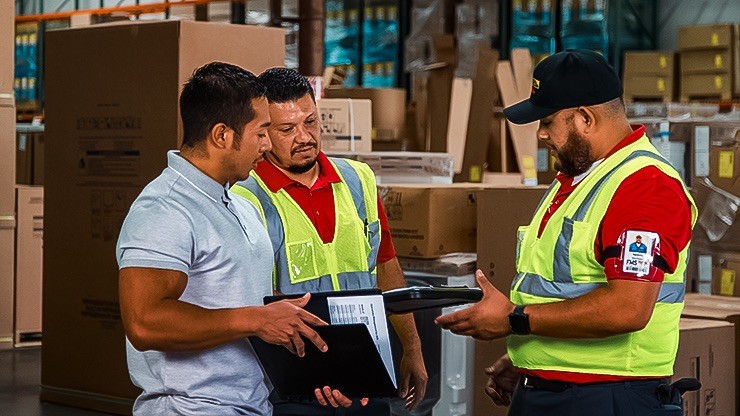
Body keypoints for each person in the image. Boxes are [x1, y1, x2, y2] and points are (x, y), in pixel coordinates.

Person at [435, 50, 697, 415]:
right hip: (560, 393)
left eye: (548, 121)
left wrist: (514, 319)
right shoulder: (579, 180)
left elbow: (627, 308)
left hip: (606, 399)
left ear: (585, 118)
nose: (540, 133)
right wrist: (534, 364)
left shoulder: (644, 187)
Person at [116, 62, 329, 415]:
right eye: (261, 132)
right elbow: (144, 321)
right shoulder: (165, 210)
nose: (266, 144)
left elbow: (241, 299)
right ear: (222, 136)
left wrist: (313, 350)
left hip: (251, 405)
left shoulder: (235, 202)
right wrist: (257, 320)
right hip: (190, 408)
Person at [232, 67, 428, 416]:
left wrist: (412, 347)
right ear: (264, 132)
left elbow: (386, 265)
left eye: (310, 122)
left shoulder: (358, 178)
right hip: (294, 383)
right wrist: (324, 369)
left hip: (367, 374)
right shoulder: (247, 198)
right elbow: (249, 301)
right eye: (287, 129)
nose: (304, 136)